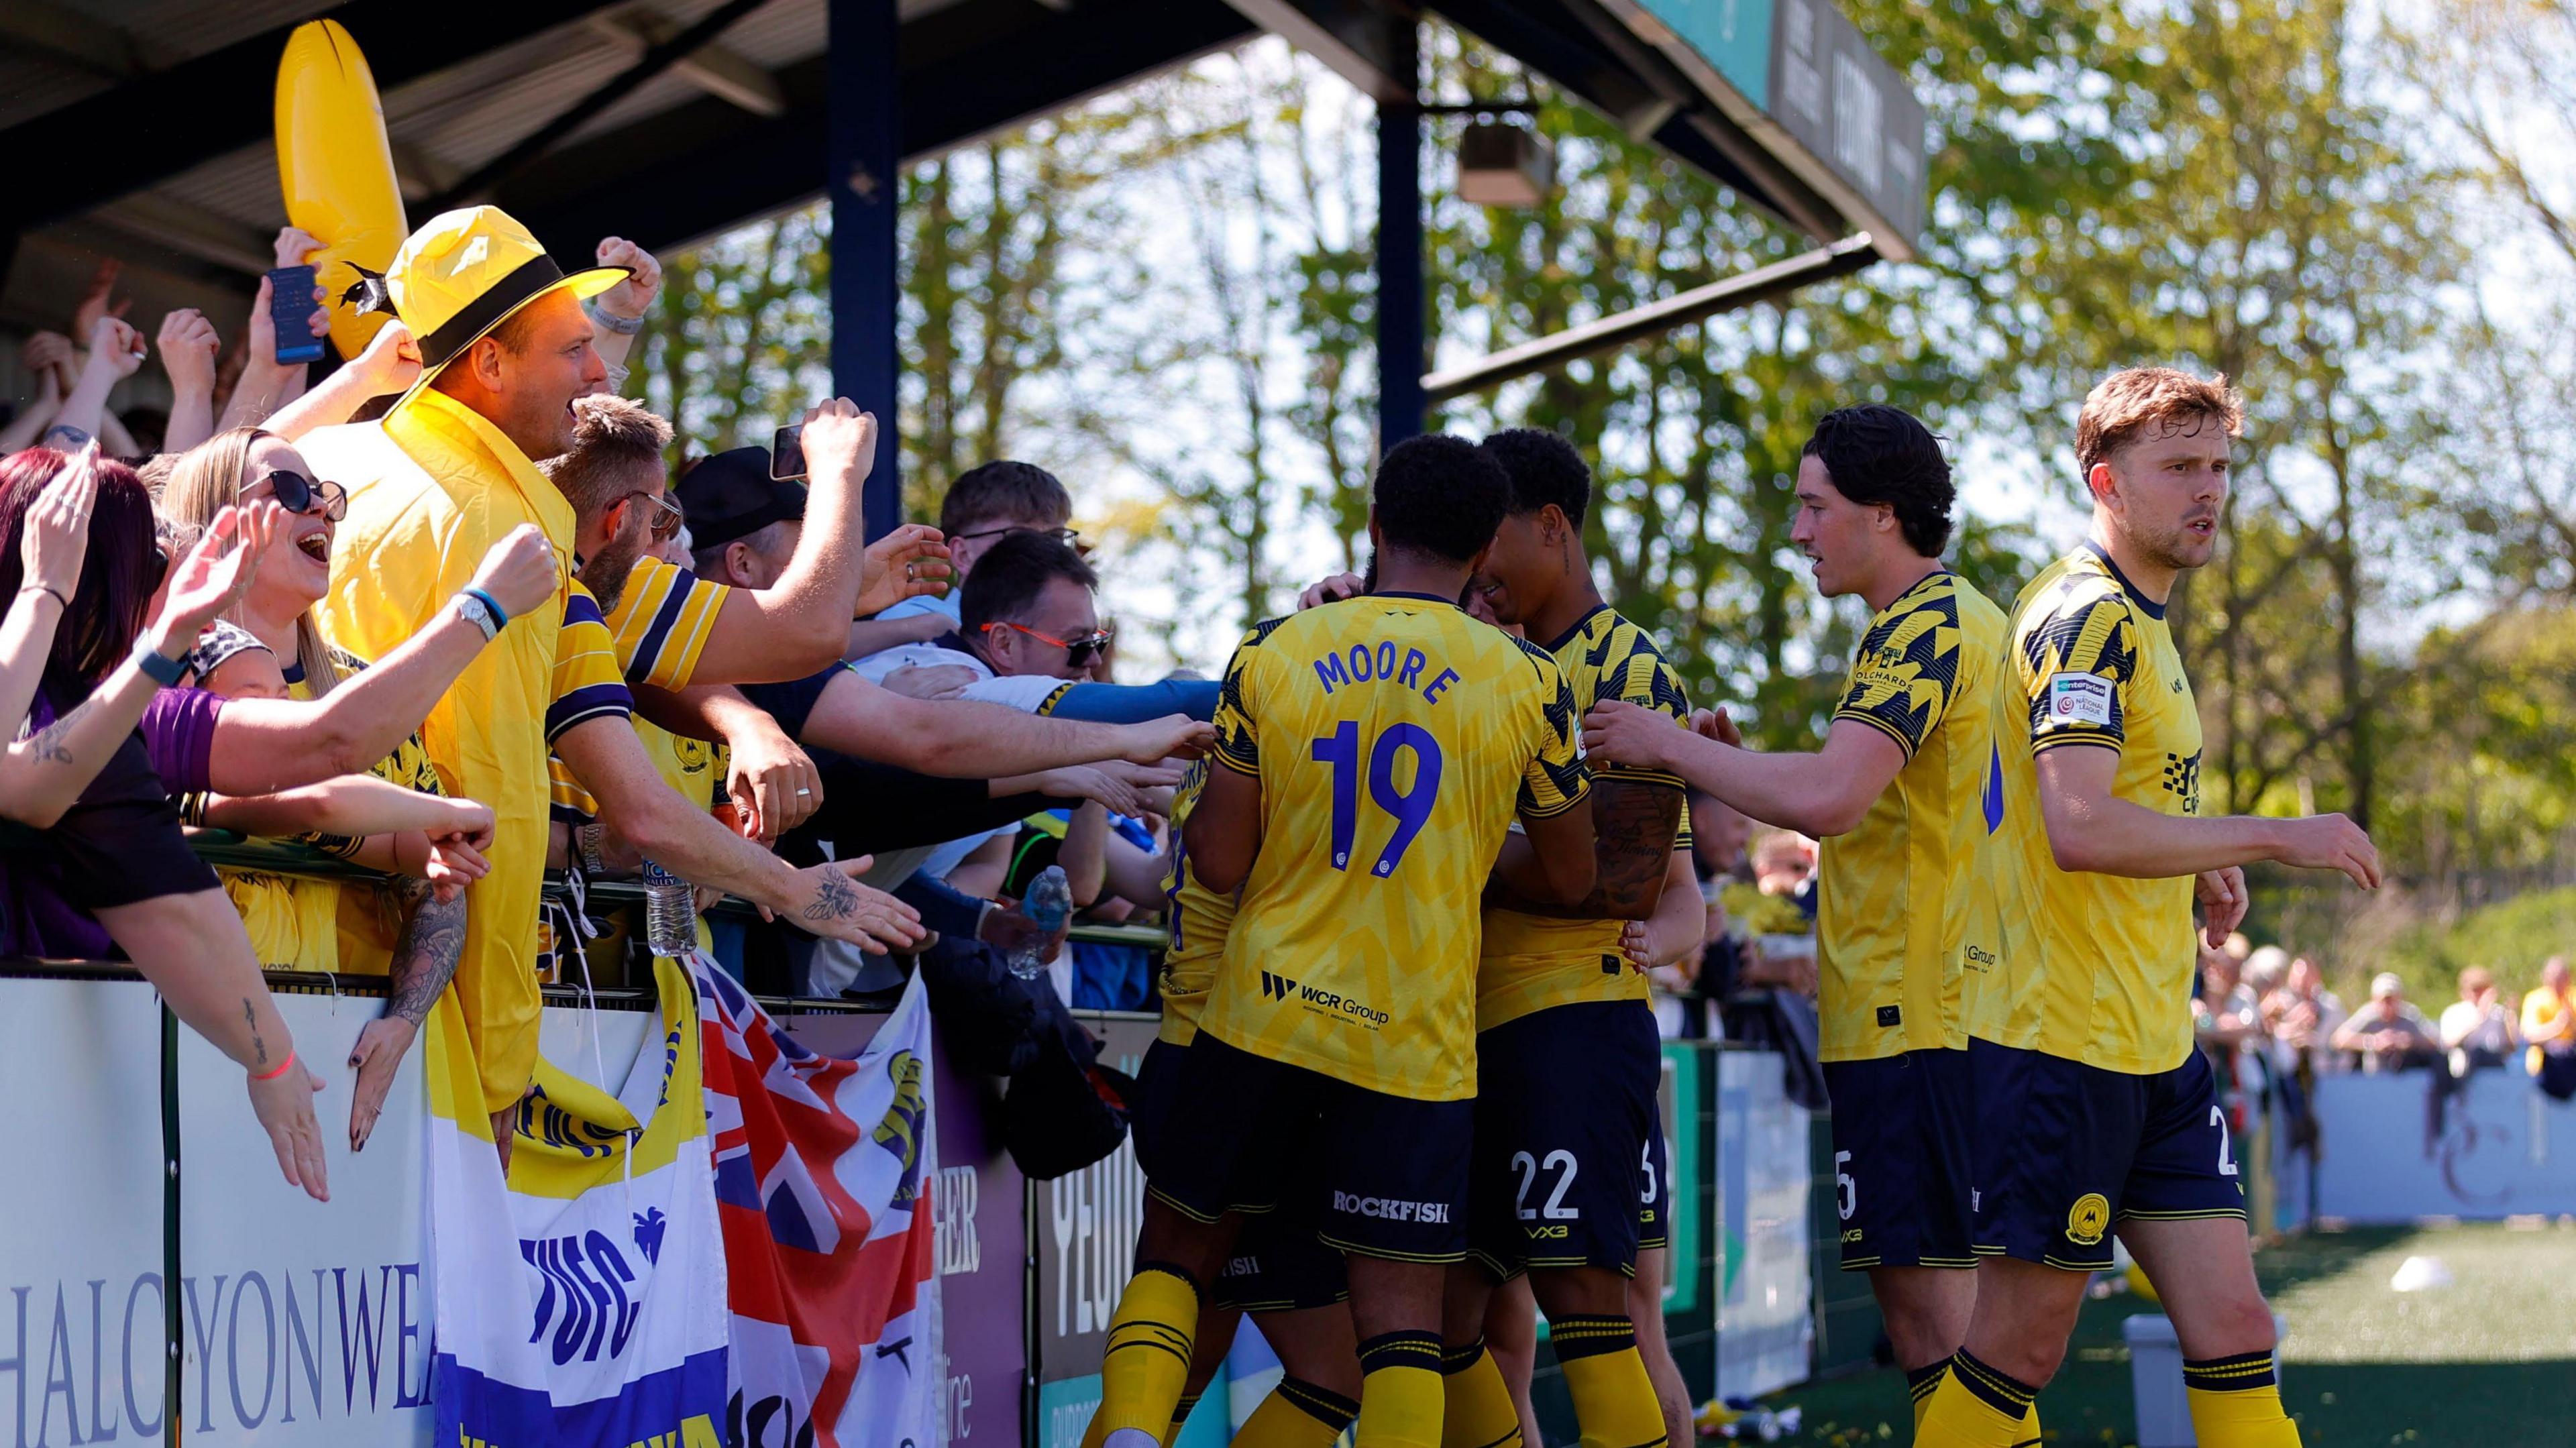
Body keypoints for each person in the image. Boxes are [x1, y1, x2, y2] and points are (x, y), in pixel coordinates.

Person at [1084, 433, 1596, 1448]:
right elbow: (1578, 876)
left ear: (1375, 525)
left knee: (1178, 1261)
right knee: (1401, 1333)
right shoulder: (1530, 680)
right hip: (1414, 1042)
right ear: (1484, 547)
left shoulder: (1275, 647)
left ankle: (1137, 1432)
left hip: (1261, 1008)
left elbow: (1219, 860)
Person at [1917, 368, 2381, 1448]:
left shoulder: (2141, 618)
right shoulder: (2086, 617)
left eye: (2220, 466)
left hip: (2151, 1042)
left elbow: (2116, 805)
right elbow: (2079, 824)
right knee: (2020, 1350)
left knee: (2233, 1323)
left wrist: (2198, 859)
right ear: (2106, 482)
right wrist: (2275, 832)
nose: (2209, 489)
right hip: (2057, 1042)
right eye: (2180, 467)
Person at [1583, 404, 2018, 1436]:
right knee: (1942, 1330)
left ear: (1881, 512)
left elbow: (1832, 798)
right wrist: (1739, 765)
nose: (1797, 531)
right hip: (1943, 1008)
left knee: (1940, 1329)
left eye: (1814, 507)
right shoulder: (1960, 620)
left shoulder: (1920, 627)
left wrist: (1669, 746)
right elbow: (1864, 799)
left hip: (1918, 1015)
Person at [297, 205, 633, 1137]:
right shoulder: (495, 522)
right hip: (416, 1017)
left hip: (298, 951)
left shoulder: (328, 456)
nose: (599, 372)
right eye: (573, 349)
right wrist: (496, 1059)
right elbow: (490, 793)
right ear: (487, 362)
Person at [0, 447, 329, 1199]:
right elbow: (18, 785)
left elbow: (179, 892)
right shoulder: (62, 672)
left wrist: (273, 1056)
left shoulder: (97, 709)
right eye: (135, 566)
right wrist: (47, 585)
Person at [2329, 974, 2437, 1072]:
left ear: (2400, 999)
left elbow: (2436, 1040)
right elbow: (2338, 1039)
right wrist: (2373, 1042)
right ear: (2374, 1000)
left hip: (2407, 1074)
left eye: (2391, 1000)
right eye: (2383, 1001)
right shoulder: (2368, 1015)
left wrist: (2411, 1041)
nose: (2387, 1006)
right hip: (2373, 1078)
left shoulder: (2410, 1014)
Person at [2437, 966, 2518, 1072]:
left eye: (2484, 989)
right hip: (2463, 1069)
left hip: (2494, 1068)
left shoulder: (2499, 1013)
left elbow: (2511, 1048)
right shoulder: (2454, 1012)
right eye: (2476, 990)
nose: (2480, 994)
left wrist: (2510, 1019)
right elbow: (2448, 1044)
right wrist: (2480, 1017)